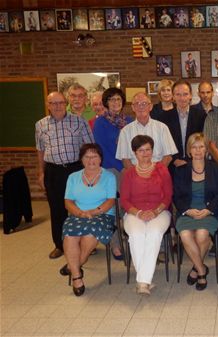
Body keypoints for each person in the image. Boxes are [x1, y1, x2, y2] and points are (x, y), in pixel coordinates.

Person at [35, 91, 94, 259]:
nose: (58, 106)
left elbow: (90, 147)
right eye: (53, 103)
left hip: (76, 170)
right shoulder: (40, 125)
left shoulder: (79, 121)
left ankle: (86, 243)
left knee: (81, 207)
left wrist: (91, 171)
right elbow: (40, 150)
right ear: (48, 105)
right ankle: (59, 245)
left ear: (65, 103)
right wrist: (41, 172)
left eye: (61, 102)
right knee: (57, 208)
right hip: (53, 171)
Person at [60, 144, 116, 296]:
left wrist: (94, 211)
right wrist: (79, 213)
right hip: (78, 214)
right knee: (70, 235)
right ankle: (77, 277)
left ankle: (74, 266)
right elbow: (68, 202)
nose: (91, 160)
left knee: (91, 233)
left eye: (95, 156)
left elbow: (111, 200)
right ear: (81, 159)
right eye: (87, 156)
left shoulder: (109, 176)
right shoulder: (73, 177)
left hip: (102, 215)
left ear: (100, 159)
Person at [120, 135, 173, 294]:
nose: (145, 153)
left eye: (148, 149)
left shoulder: (162, 169)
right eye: (141, 150)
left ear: (152, 150)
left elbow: (168, 196)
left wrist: (155, 211)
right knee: (136, 235)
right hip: (135, 213)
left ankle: (142, 281)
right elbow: (124, 200)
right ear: (134, 153)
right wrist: (139, 213)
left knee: (153, 233)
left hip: (160, 212)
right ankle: (144, 281)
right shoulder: (128, 173)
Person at [173, 133, 218, 290]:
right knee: (185, 235)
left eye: (201, 146)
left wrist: (208, 210)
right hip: (187, 211)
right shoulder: (181, 170)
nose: (197, 150)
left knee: (202, 234)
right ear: (189, 150)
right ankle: (201, 269)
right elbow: (177, 196)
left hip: (209, 212)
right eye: (194, 147)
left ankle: (196, 269)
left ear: (206, 150)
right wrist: (187, 210)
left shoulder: (216, 169)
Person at [93, 88, 133, 259]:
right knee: (114, 208)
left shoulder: (130, 120)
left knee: (130, 206)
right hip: (111, 169)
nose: (116, 103)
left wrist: (128, 166)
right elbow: (102, 149)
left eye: (118, 99)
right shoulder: (101, 123)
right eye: (111, 100)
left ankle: (133, 239)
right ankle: (115, 244)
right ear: (106, 103)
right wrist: (121, 166)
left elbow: (133, 146)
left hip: (129, 168)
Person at [116, 92, 177, 169]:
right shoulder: (125, 131)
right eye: (137, 104)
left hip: (158, 173)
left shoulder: (162, 128)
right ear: (133, 107)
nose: (141, 107)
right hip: (135, 175)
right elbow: (125, 159)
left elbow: (168, 156)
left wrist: (156, 173)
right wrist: (138, 175)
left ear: (150, 106)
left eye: (144, 103)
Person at [157, 80, 206, 172]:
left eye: (185, 94)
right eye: (178, 94)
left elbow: (202, 140)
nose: (182, 98)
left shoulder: (201, 115)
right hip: (172, 165)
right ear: (173, 96)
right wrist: (175, 159)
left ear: (190, 95)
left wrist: (191, 160)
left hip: (195, 164)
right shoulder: (164, 118)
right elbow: (163, 143)